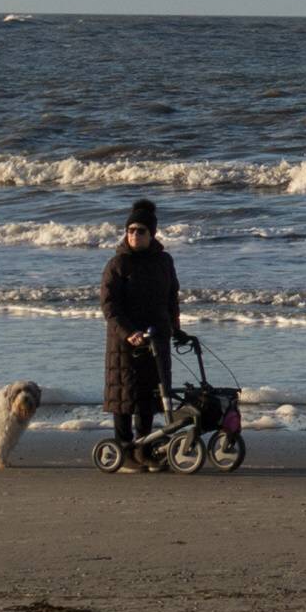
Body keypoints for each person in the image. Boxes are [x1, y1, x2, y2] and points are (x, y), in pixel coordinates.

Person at [99, 199, 185, 471]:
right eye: (131, 230)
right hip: (125, 340)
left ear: (152, 234)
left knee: (151, 395)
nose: (135, 235)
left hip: (156, 336)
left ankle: (144, 449)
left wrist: (175, 328)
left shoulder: (164, 261)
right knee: (124, 396)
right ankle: (124, 451)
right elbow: (109, 306)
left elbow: (172, 296)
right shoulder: (118, 263)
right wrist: (128, 333)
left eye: (141, 231)